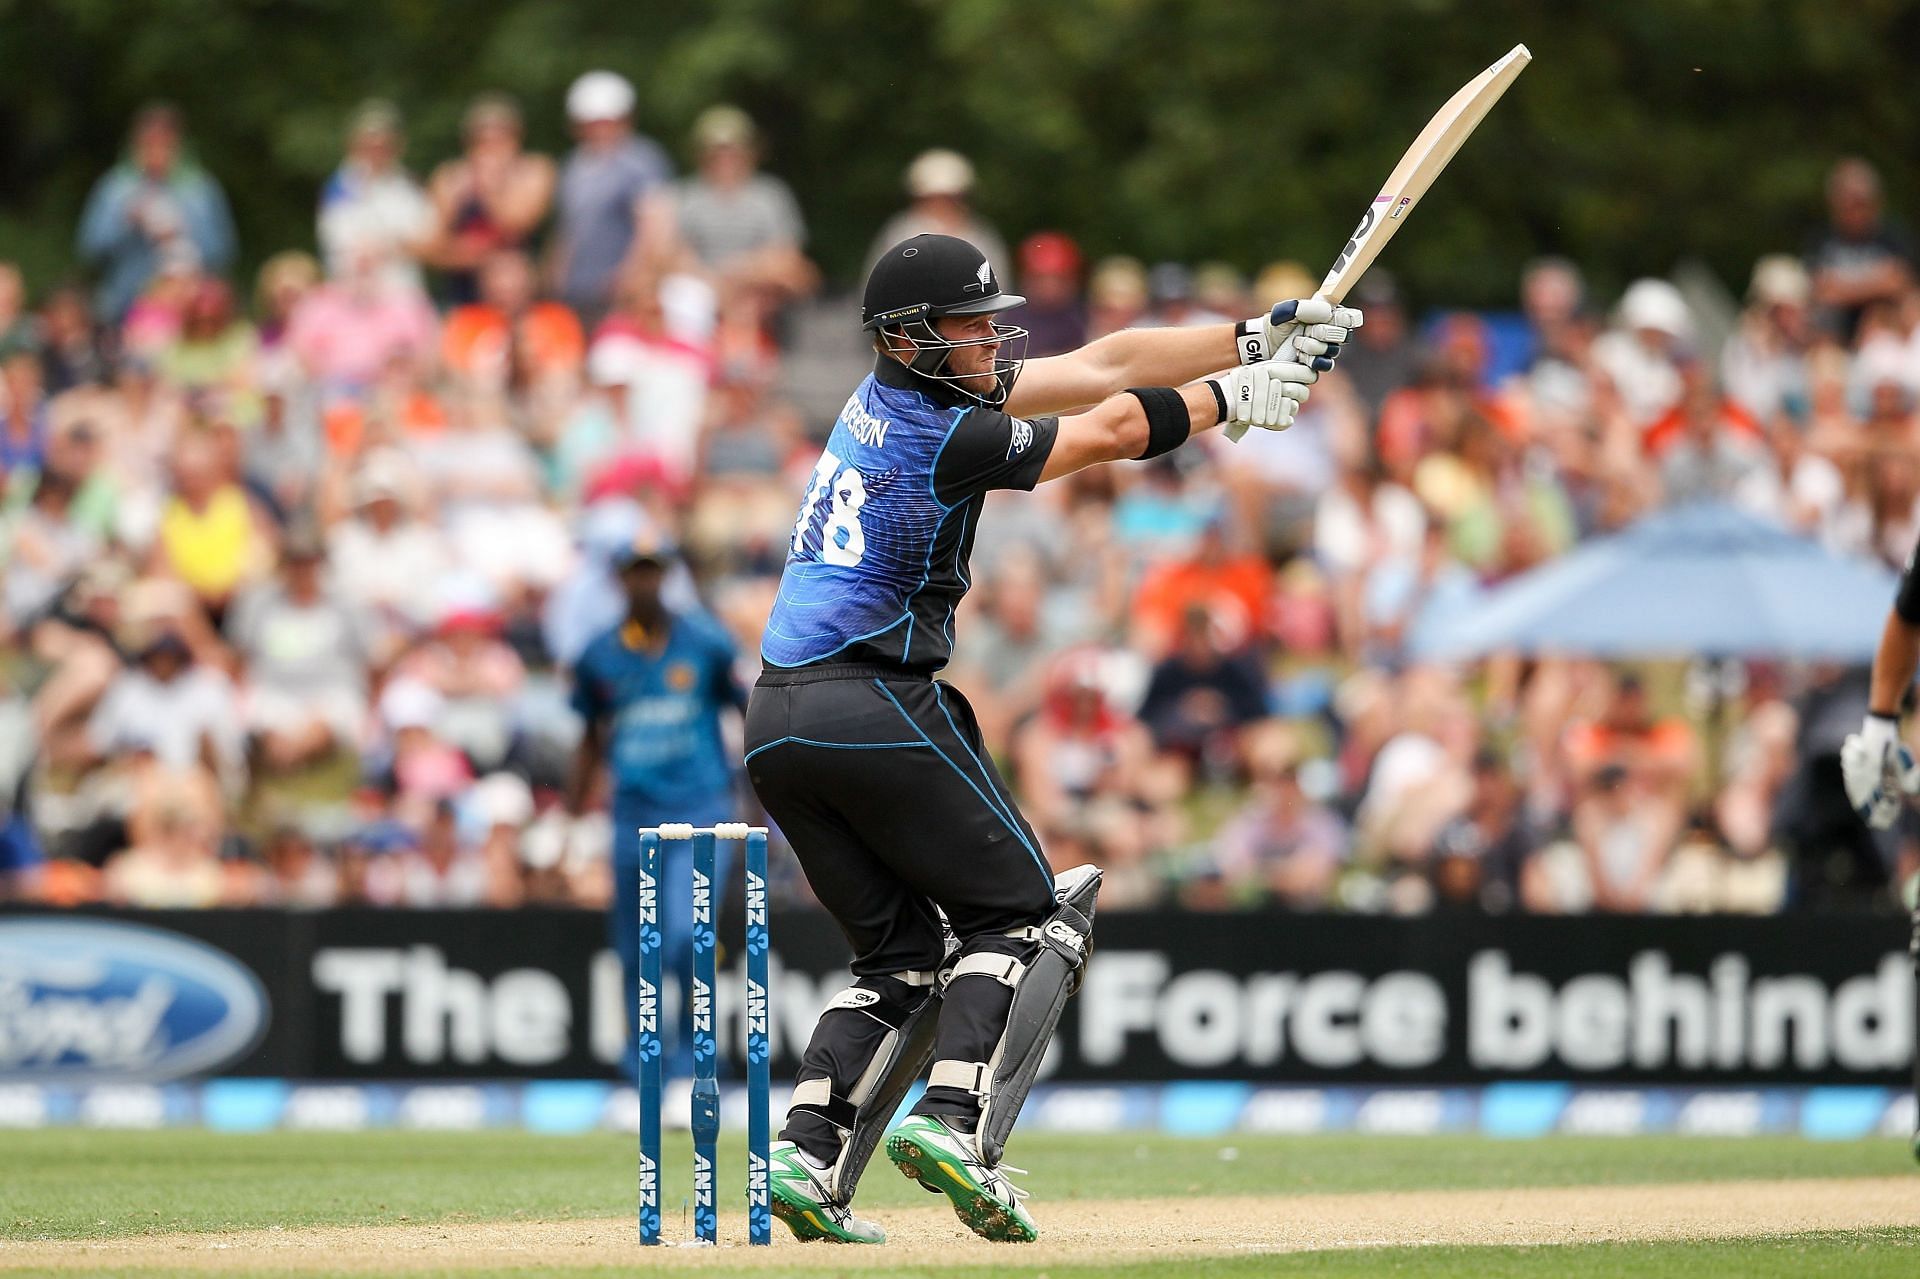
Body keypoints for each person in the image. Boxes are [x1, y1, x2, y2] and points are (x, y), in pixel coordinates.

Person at [743, 233, 1357, 1243]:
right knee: (1030, 916)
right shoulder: (945, 432)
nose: (989, 340)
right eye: (968, 325)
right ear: (907, 337)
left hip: (777, 720)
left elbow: (1107, 362)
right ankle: (952, 1118)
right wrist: (1231, 402)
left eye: (992, 322)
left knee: (897, 961)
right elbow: (1111, 425)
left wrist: (1250, 339)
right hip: (869, 698)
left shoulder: (900, 399)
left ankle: (806, 1155)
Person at [566, 532, 745, 1081]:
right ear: (619, 579)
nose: (645, 582)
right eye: (634, 571)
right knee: (635, 944)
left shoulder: (706, 643)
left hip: (701, 808)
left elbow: (748, 712)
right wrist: (570, 815)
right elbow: (591, 737)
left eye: (653, 570)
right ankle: (644, 1061)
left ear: (666, 575)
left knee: (687, 934)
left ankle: (695, 1054)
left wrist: (760, 803)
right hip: (631, 813)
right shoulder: (598, 653)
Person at [76, 104, 236, 321]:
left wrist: (181, 234)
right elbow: (90, 248)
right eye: (148, 144)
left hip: (188, 312)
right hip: (125, 306)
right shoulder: (115, 189)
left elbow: (222, 252)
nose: (156, 152)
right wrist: (127, 224)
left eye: (164, 143)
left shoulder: (200, 189)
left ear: (178, 145)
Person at [549, 71, 674, 322]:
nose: (599, 129)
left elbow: (654, 227)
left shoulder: (642, 161)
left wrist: (630, 276)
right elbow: (569, 229)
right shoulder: (573, 165)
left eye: (607, 121)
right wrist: (555, 277)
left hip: (621, 293)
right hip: (577, 290)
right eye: (591, 122)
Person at [426, 93, 556, 306]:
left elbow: (517, 224)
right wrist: (465, 254)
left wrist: (490, 188)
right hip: (463, 291)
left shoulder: (534, 170)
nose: (491, 149)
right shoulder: (450, 177)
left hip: (519, 294)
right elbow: (433, 246)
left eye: (501, 139)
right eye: (482, 141)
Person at [317, 100, 434, 295]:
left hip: (403, 291)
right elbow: (338, 243)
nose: (377, 150)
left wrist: (386, 247)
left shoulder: (409, 185)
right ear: (354, 144)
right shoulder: (339, 187)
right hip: (353, 294)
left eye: (384, 143)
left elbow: (427, 242)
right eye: (370, 143)